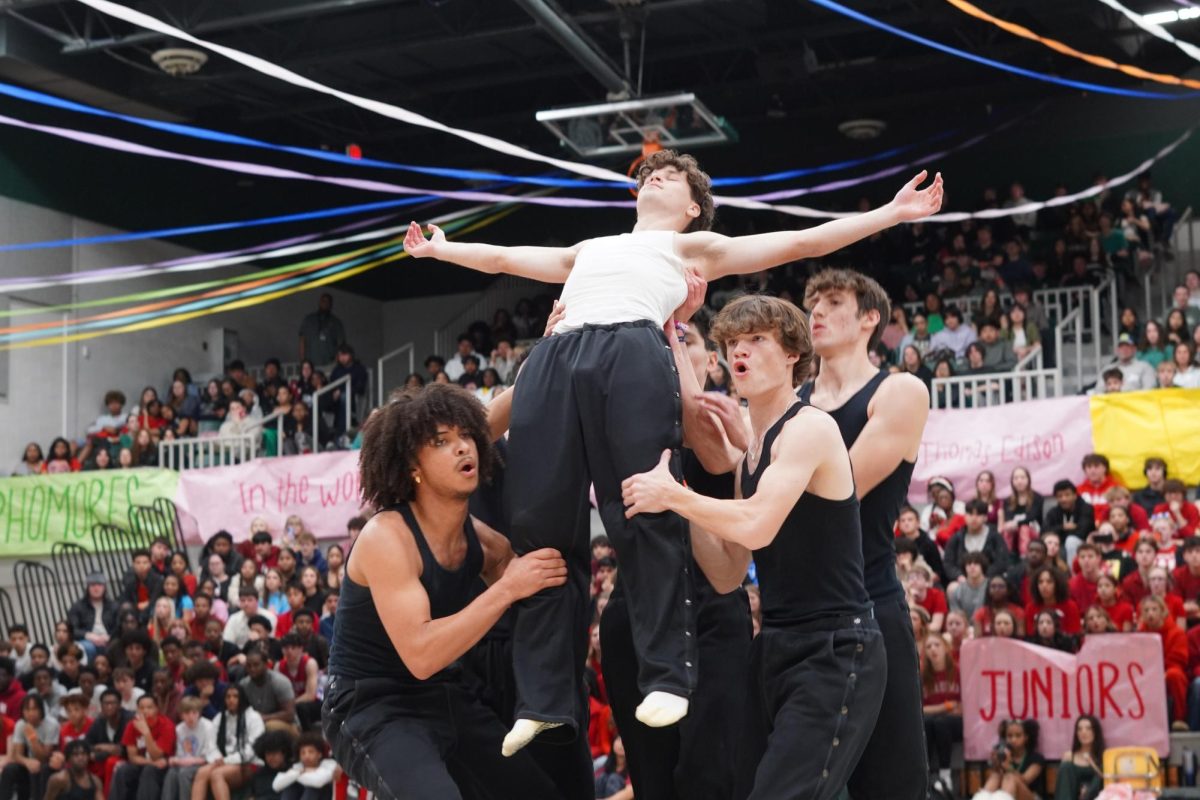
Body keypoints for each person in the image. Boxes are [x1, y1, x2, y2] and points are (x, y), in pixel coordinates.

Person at [406, 152, 942, 753]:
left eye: (667, 176)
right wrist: (442, 250)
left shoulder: (693, 248)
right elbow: (505, 258)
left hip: (634, 349)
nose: (651, 179)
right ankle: (544, 698)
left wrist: (892, 213)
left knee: (643, 505)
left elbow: (799, 240)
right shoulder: (590, 248)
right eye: (646, 177)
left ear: (692, 207)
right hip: (557, 354)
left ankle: (667, 676)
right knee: (540, 524)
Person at [620, 294, 889, 800]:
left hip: (835, 647)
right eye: (733, 344)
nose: (740, 352)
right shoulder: (751, 456)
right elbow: (726, 574)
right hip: (775, 647)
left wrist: (675, 494)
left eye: (757, 340)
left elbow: (758, 525)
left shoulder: (809, 427)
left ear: (792, 354)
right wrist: (678, 497)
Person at [321, 384, 567, 799]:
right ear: (412, 466)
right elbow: (421, 655)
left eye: (466, 437)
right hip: (372, 706)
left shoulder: (483, 542)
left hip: (444, 694)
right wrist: (508, 587)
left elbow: (525, 583)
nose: (462, 448)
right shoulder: (386, 537)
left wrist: (542, 363)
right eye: (441, 442)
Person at [794, 268, 933, 800]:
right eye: (812, 305)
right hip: (796, 612)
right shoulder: (791, 400)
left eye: (832, 302)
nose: (818, 313)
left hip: (870, 599)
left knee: (892, 782)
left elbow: (838, 494)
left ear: (870, 319)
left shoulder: (899, 390)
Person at [191, 684, 265, 800]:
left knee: (217, 774)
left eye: (235, 696)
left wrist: (226, 760)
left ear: (242, 698)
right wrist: (218, 759)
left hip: (248, 763)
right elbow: (211, 744)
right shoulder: (220, 717)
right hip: (223, 761)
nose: (231, 700)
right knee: (202, 772)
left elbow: (252, 749)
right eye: (228, 697)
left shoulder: (253, 717)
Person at [1139, 595, 1190, 731]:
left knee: (1174, 675)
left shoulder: (1176, 633)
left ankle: (1180, 719)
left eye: (1154, 609)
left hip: (1170, 669)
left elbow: (1179, 659)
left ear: (1163, 611)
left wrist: (1161, 672)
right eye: (1146, 610)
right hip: (1146, 672)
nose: (1150, 613)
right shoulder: (1139, 634)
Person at [920, 635, 961, 794]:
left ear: (945, 648)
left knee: (940, 722)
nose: (933, 649)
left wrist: (951, 709)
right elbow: (921, 709)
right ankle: (928, 774)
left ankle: (945, 773)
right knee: (930, 722)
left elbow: (964, 705)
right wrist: (945, 706)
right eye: (928, 647)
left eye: (937, 644)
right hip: (936, 720)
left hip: (956, 722)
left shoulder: (957, 670)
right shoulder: (923, 675)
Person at [161, 696, 214, 800]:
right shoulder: (179, 729)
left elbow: (207, 757)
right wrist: (176, 761)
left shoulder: (208, 726)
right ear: (181, 715)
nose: (191, 717)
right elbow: (180, 754)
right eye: (187, 713)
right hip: (185, 763)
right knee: (172, 773)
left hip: (203, 763)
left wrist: (181, 762)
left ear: (199, 713)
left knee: (184, 773)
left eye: (194, 713)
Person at [979, 719, 1044, 800]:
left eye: (1018, 735)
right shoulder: (1004, 754)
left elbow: (1025, 780)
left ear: (1026, 737)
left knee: (1010, 778)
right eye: (1009, 736)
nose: (1013, 740)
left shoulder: (1036, 758)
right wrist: (996, 765)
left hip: (1031, 796)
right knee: (996, 776)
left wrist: (1008, 767)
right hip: (1007, 794)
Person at [271, 732, 336, 800]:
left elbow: (318, 782)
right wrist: (299, 772)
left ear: (319, 754)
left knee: (312, 788)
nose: (306, 756)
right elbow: (276, 785)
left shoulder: (328, 764)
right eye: (303, 753)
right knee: (291, 787)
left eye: (311, 752)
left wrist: (297, 775)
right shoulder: (298, 767)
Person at [1055, 716, 1104, 800]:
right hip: (1073, 796)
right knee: (1066, 766)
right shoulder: (1069, 756)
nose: (1083, 732)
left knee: (1100, 773)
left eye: (1088, 728)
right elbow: (1064, 785)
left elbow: (1105, 780)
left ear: (1095, 732)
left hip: (1095, 796)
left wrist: (1091, 763)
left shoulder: (1103, 756)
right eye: (1079, 729)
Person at [298, 293, 345, 366]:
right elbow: (302, 340)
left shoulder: (336, 322)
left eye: (328, 301)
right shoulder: (309, 319)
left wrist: (336, 362)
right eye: (323, 301)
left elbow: (341, 344)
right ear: (319, 302)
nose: (325, 303)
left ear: (330, 304)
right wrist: (302, 360)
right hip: (311, 364)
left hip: (329, 363)